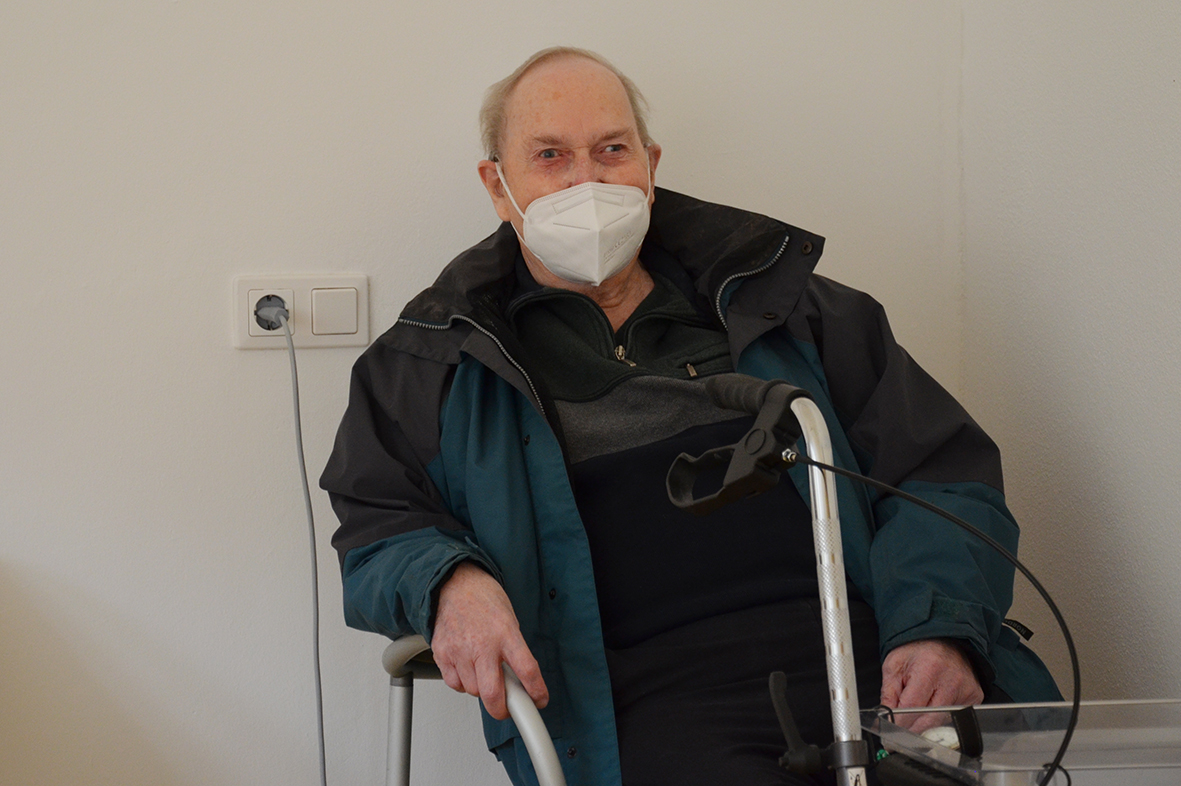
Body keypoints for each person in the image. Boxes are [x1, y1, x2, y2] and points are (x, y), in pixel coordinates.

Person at [320, 47, 1060, 786]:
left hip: (873, 661)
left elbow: (940, 474)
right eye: (550, 156)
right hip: (652, 704)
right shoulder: (431, 365)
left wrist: (937, 629)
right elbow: (379, 527)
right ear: (497, 185)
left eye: (612, 150)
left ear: (649, 165)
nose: (586, 181)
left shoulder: (795, 311)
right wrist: (448, 582)